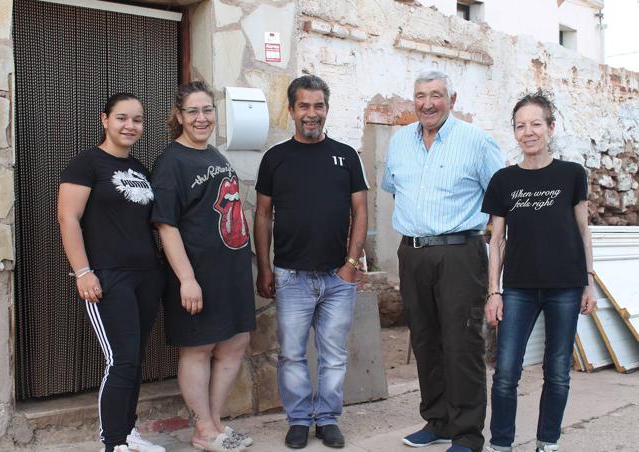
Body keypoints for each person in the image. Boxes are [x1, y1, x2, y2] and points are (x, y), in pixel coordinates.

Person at [381, 69, 504, 452]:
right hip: (413, 252)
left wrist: (497, 257)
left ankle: (467, 435)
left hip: (460, 253)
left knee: (461, 343)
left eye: (436, 95)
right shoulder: (400, 142)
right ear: (412, 100)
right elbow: (392, 187)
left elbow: (500, 201)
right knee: (425, 339)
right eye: (420, 95)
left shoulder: (477, 141)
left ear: (452, 99)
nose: (428, 103)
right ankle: (438, 421)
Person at [254, 74, 368, 450]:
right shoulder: (276, 159)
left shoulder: (346, 156)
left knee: (333, 355)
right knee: (291, 354)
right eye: (304, 105)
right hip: (291, 276)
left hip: (338, 277)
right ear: (291, 110)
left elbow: (361, 210)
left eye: (318, 105)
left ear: (326, 110)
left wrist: (351, 263)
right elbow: (263, 215)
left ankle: (328, 418)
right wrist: (266, 268)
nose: (311, 113)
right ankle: (300, 419)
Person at [482, 91, 596, 452]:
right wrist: (493, 291)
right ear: (514, 132)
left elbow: (583, 230)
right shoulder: (503, 180)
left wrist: (589, 282)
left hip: (566, 286)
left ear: (550, 127)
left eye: (535, 124)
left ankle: (548, 442)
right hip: (518, 288)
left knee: (558, 372)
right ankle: (501, 444)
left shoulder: (572, 174)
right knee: (505, 374)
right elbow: (496, 239)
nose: (528, 132)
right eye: (520, 125)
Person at [150, 81, 256, 452]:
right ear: (178, 116)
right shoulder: (171, 162)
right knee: (197, 348)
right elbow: (166, 225)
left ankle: (213, 426)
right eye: (192, 111)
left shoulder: (213, 155)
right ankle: (203, 429)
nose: (201, 118)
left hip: (231, 272)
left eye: (207, 110)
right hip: (197, 274)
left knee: (236, 342)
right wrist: (187, 279)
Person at [58, 93, 166, 452]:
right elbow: (67, 218)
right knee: (120, 358)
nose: (130, 126)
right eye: (122, 118)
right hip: (107, 275)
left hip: (146, 275)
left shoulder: (141, 168)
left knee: (134, 358)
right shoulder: (85, 164)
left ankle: (129, 433)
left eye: (137, 120)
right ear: (105, 120)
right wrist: (83, 271)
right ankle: (113, 443)